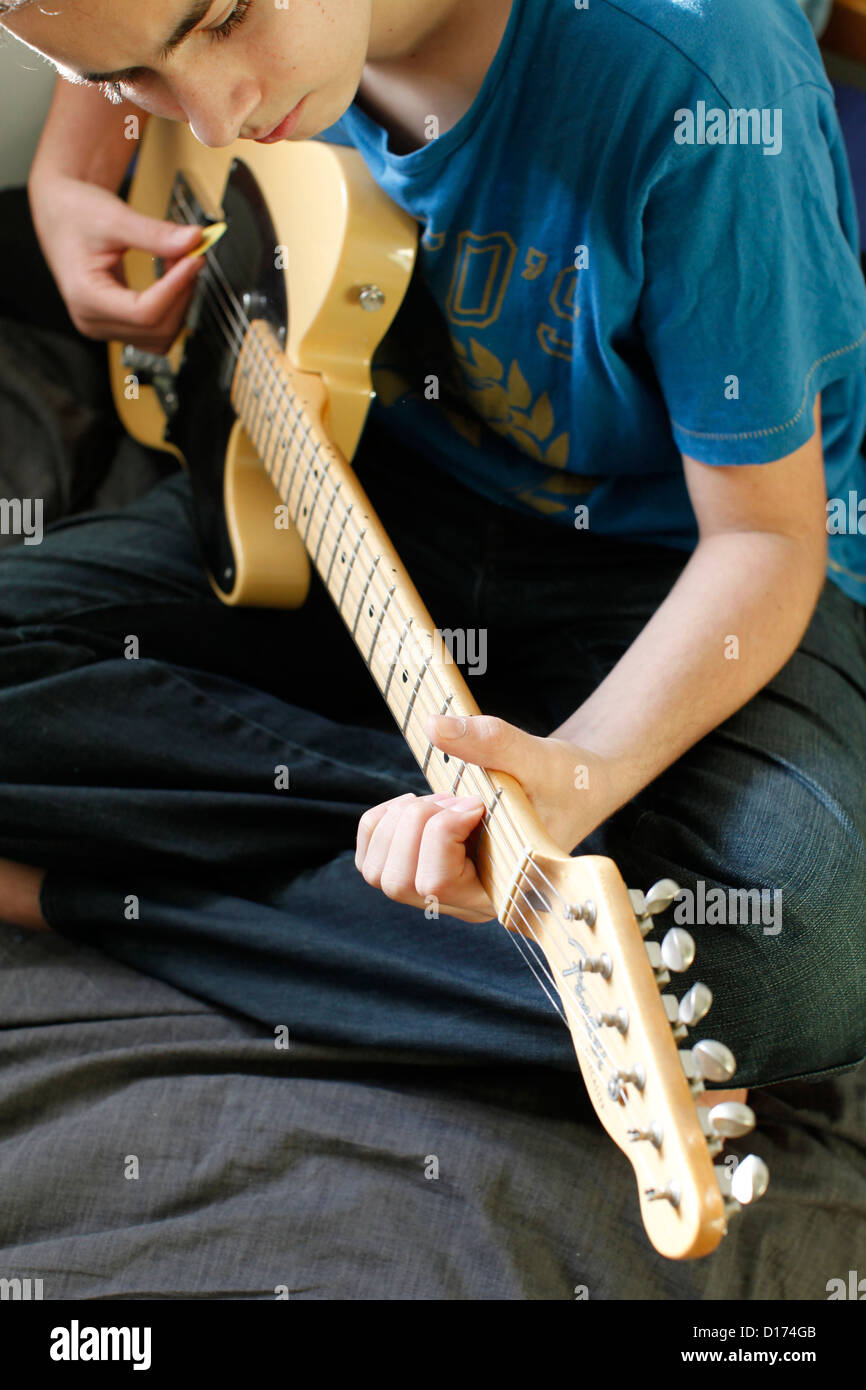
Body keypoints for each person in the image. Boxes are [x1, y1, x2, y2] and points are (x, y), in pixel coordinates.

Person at [0, 0, 864, 1097]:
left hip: (676, 565)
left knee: (793, 956)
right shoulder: (191, 57)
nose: (213, 121)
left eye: (223, 16)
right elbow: (113, 34)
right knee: (649, 945)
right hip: (359, 477)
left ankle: (80, 892)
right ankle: (475, 885)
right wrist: (63, 182)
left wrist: (583, 770)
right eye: (137, 80)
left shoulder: (702, 75)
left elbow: (765, 537)